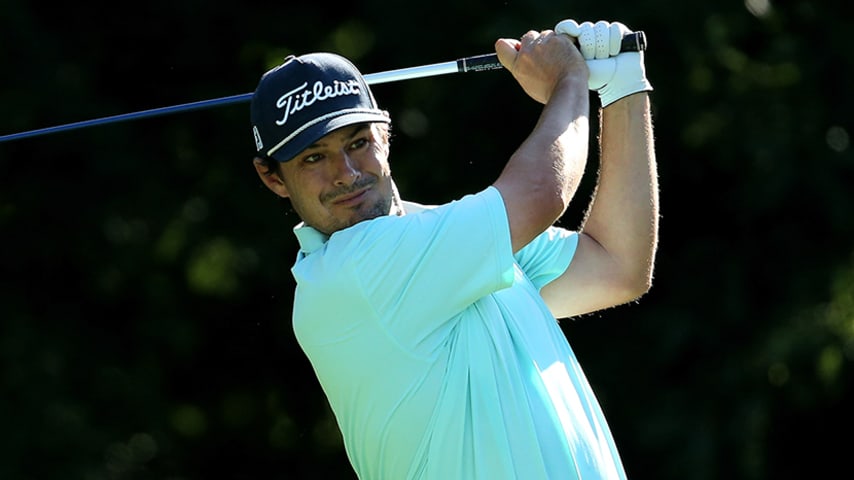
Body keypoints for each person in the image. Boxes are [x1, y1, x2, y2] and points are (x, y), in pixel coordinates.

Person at [249, 17, 658, 480]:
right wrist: (569, 78)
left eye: (358, 142)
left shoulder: (448, 241)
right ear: (272, 177)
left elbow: (616, 265)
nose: (345, 172)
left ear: (385, 136)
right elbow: (544, 190)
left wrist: (624, 86)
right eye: (313, 158)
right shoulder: (350, 275)